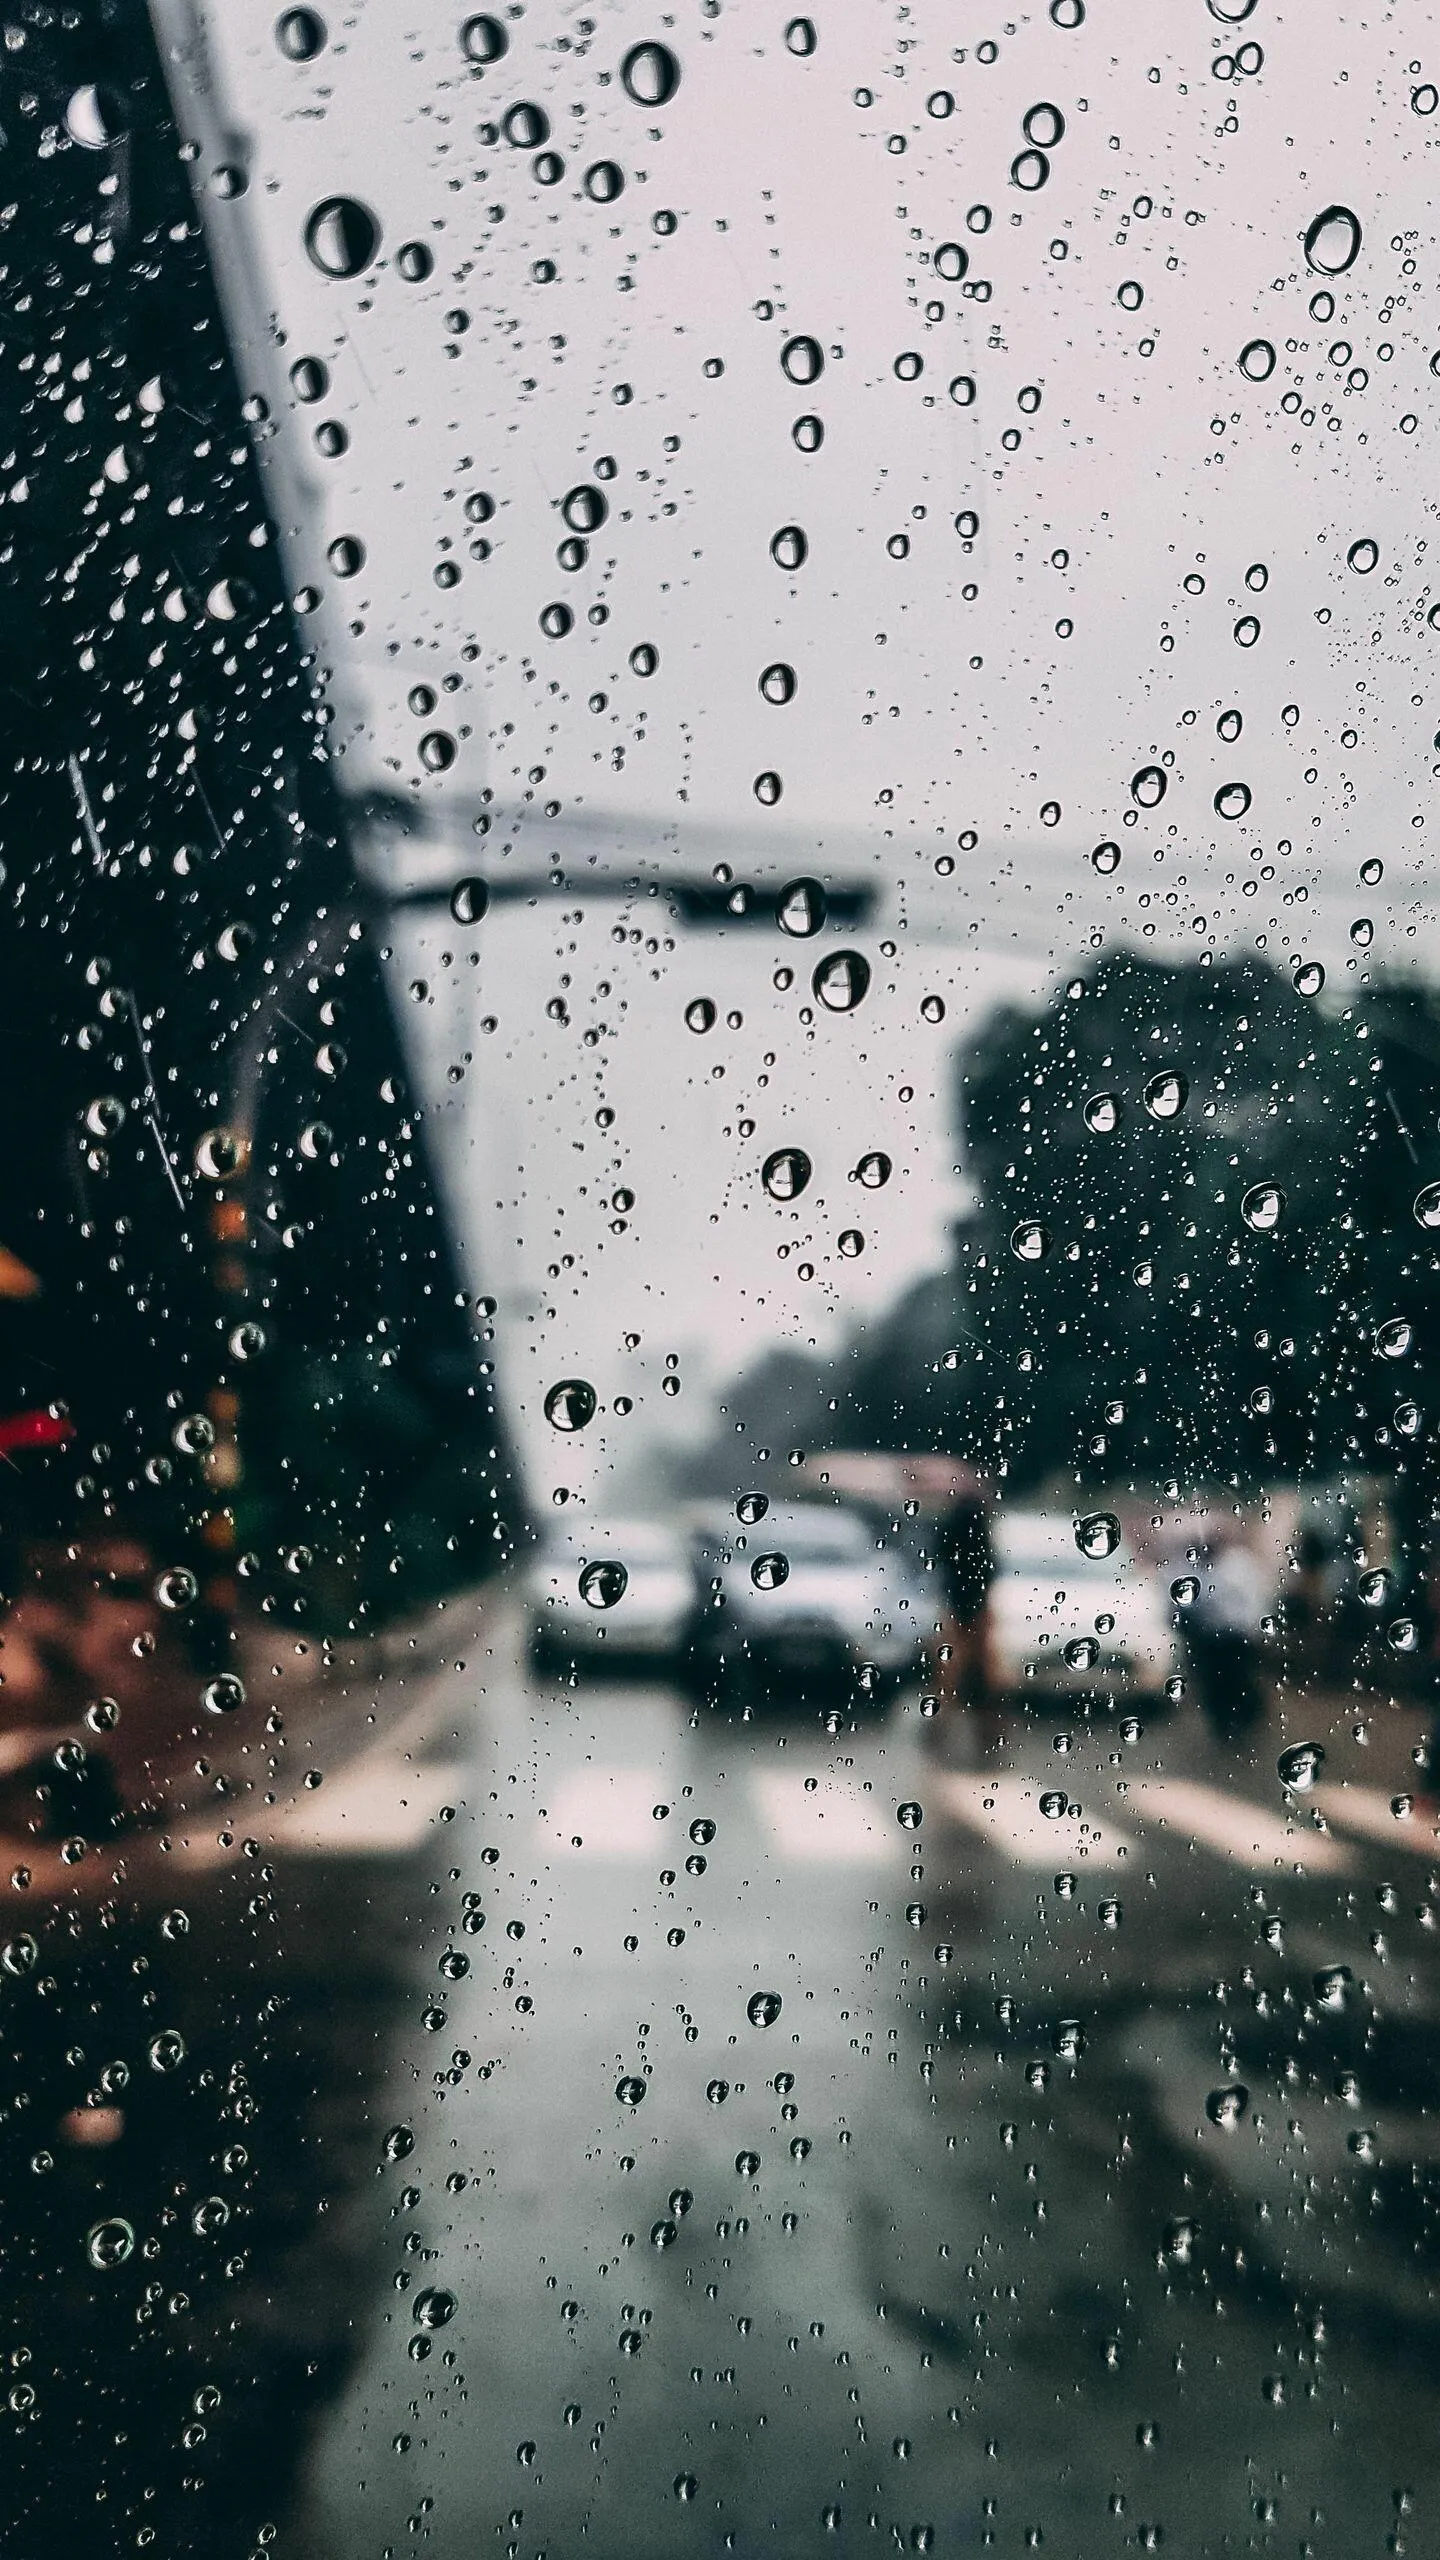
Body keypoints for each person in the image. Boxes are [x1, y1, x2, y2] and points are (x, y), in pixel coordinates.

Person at [921, 1462, 997, 1757]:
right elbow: (988, 1565)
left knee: (949, 1674)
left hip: (958, 1602)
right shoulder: (975, 1521)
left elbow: (943, 1557)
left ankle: (941, 1730)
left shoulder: (954, 1520)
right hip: (971, 1604)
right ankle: (986, 1735)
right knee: (981, 1673)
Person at [1185, 1529, 1268, 1742]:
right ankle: (1223, 1722)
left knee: (1238, 1679)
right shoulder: (1199, 1570)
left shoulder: (1238, 1565)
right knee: (1214, 1682)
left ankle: (1245, 1715)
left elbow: (1252, 1600)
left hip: (1237, 1637)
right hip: (1211, 1638)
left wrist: (1252, 1631)